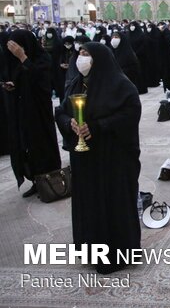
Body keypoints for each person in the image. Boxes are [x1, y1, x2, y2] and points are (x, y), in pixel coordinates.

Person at [55, 42, 141, 274]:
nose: (80, 58)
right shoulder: (76, 83)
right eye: (79, 54)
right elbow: (61, 110)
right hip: (84, 159)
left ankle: (117, 253)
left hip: (112, 159)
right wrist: (69, 123)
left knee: (112, 202)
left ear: (100, 59)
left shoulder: (121, 85)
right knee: (88, 202)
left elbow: (130, 113)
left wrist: (98, 127)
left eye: (86, 54)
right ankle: (89, 248)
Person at [1, 29, 61, 197]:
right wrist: (12, 86)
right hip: (24, 112)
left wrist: (23, 57)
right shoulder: (16, 64)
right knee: (27, 147)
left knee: (42, 145)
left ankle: (51, 180)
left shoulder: (42, 60)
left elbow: (40, 82)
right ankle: (36, 179)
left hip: (39, 113)